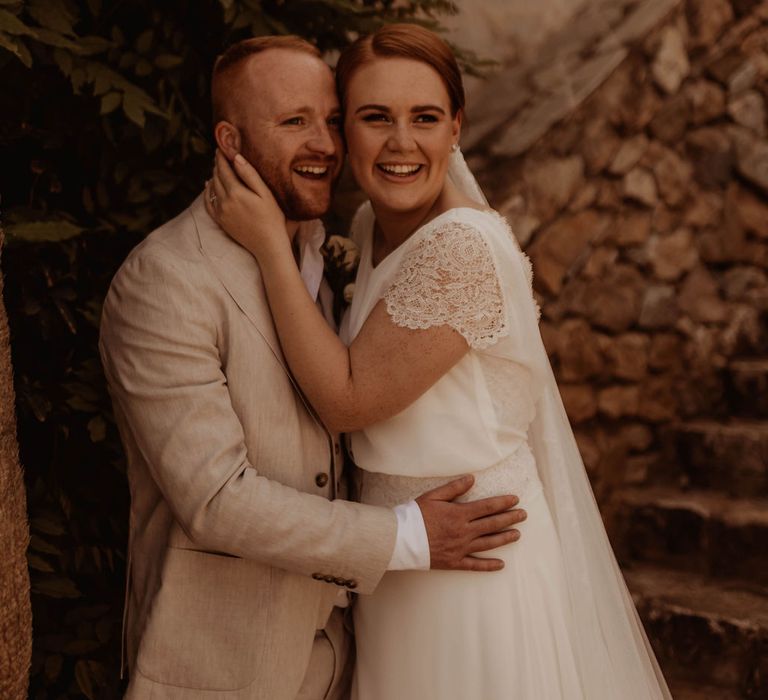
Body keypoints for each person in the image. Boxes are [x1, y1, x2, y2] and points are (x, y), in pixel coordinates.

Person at [207, 24, 673, 700]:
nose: (401, 143)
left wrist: (270, 251)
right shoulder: (369, 228)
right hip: (400, 571)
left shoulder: (462, 249)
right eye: (374, 118)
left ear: (456, 128)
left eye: (425, 118)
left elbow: (346, 399)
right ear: (346, 133)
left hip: (476, 578)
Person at [99, 35, 528, 700]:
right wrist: (403, 536)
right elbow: (216, 501)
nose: (325, 145)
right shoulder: (166, 281)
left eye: (331, 120)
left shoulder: (323, 249)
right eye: (294, 122)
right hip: (226, 671)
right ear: (230, 141)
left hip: (355, 657)